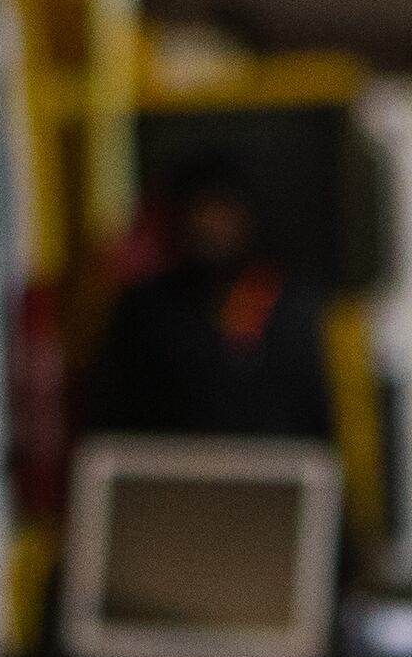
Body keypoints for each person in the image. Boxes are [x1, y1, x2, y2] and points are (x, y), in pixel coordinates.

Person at [83, 150, 337, 442]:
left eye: (222, 208)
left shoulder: (294, 309)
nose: (208, 223)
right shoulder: (144, 311)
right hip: (168, 479)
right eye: (197, 208)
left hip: (276, 479)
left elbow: (317, 423)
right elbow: (112, 423)